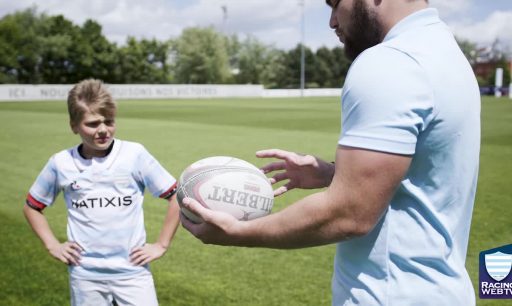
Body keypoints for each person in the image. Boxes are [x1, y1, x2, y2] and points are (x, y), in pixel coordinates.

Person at [180, 0, 481, 305]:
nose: (332, 22)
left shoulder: (392, 62)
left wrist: (239, 232)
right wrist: (332, 173)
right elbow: (426, 173)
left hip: (391, 295)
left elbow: (350, 213)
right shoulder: (444, 52)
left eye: (336, 4)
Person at [24, 79, 180, 306]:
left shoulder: (134, 154)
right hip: (85, 275)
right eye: (93, 123)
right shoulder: (61, 163)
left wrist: (161, 245)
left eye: (109, 121)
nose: (103, 130)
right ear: (74, 125)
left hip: (133, 273)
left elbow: (177, 196)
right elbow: (32, 207)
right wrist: (53, 245)